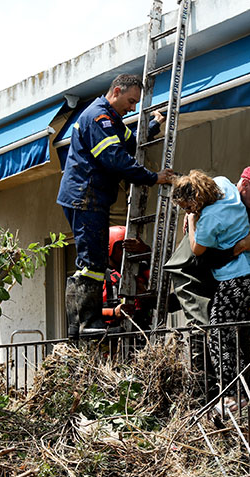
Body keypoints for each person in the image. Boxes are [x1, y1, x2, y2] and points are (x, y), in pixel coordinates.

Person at [57, 73, 173, 338]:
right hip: (85, 197)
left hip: (89, 196)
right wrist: (153, 177)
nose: (132, 108)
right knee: (91, 263)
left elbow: (130, 142)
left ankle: (81, 325)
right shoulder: (99, 117)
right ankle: (86, 324)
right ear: (117, 91)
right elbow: (115, 158)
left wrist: (154, 125)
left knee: (91, 261)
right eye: (131, 101)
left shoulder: (110, 118)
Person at [163, 165, 250, 393]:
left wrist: (194, 218)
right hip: (223, 277)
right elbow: (210, 259)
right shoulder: (218, 196)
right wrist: (193, 215)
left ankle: (235, 390)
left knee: (224, 332)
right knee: (218, 331)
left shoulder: (243, 209)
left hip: (233, 278)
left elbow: (213, 255)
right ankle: (229, 390)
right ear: (245, 184)